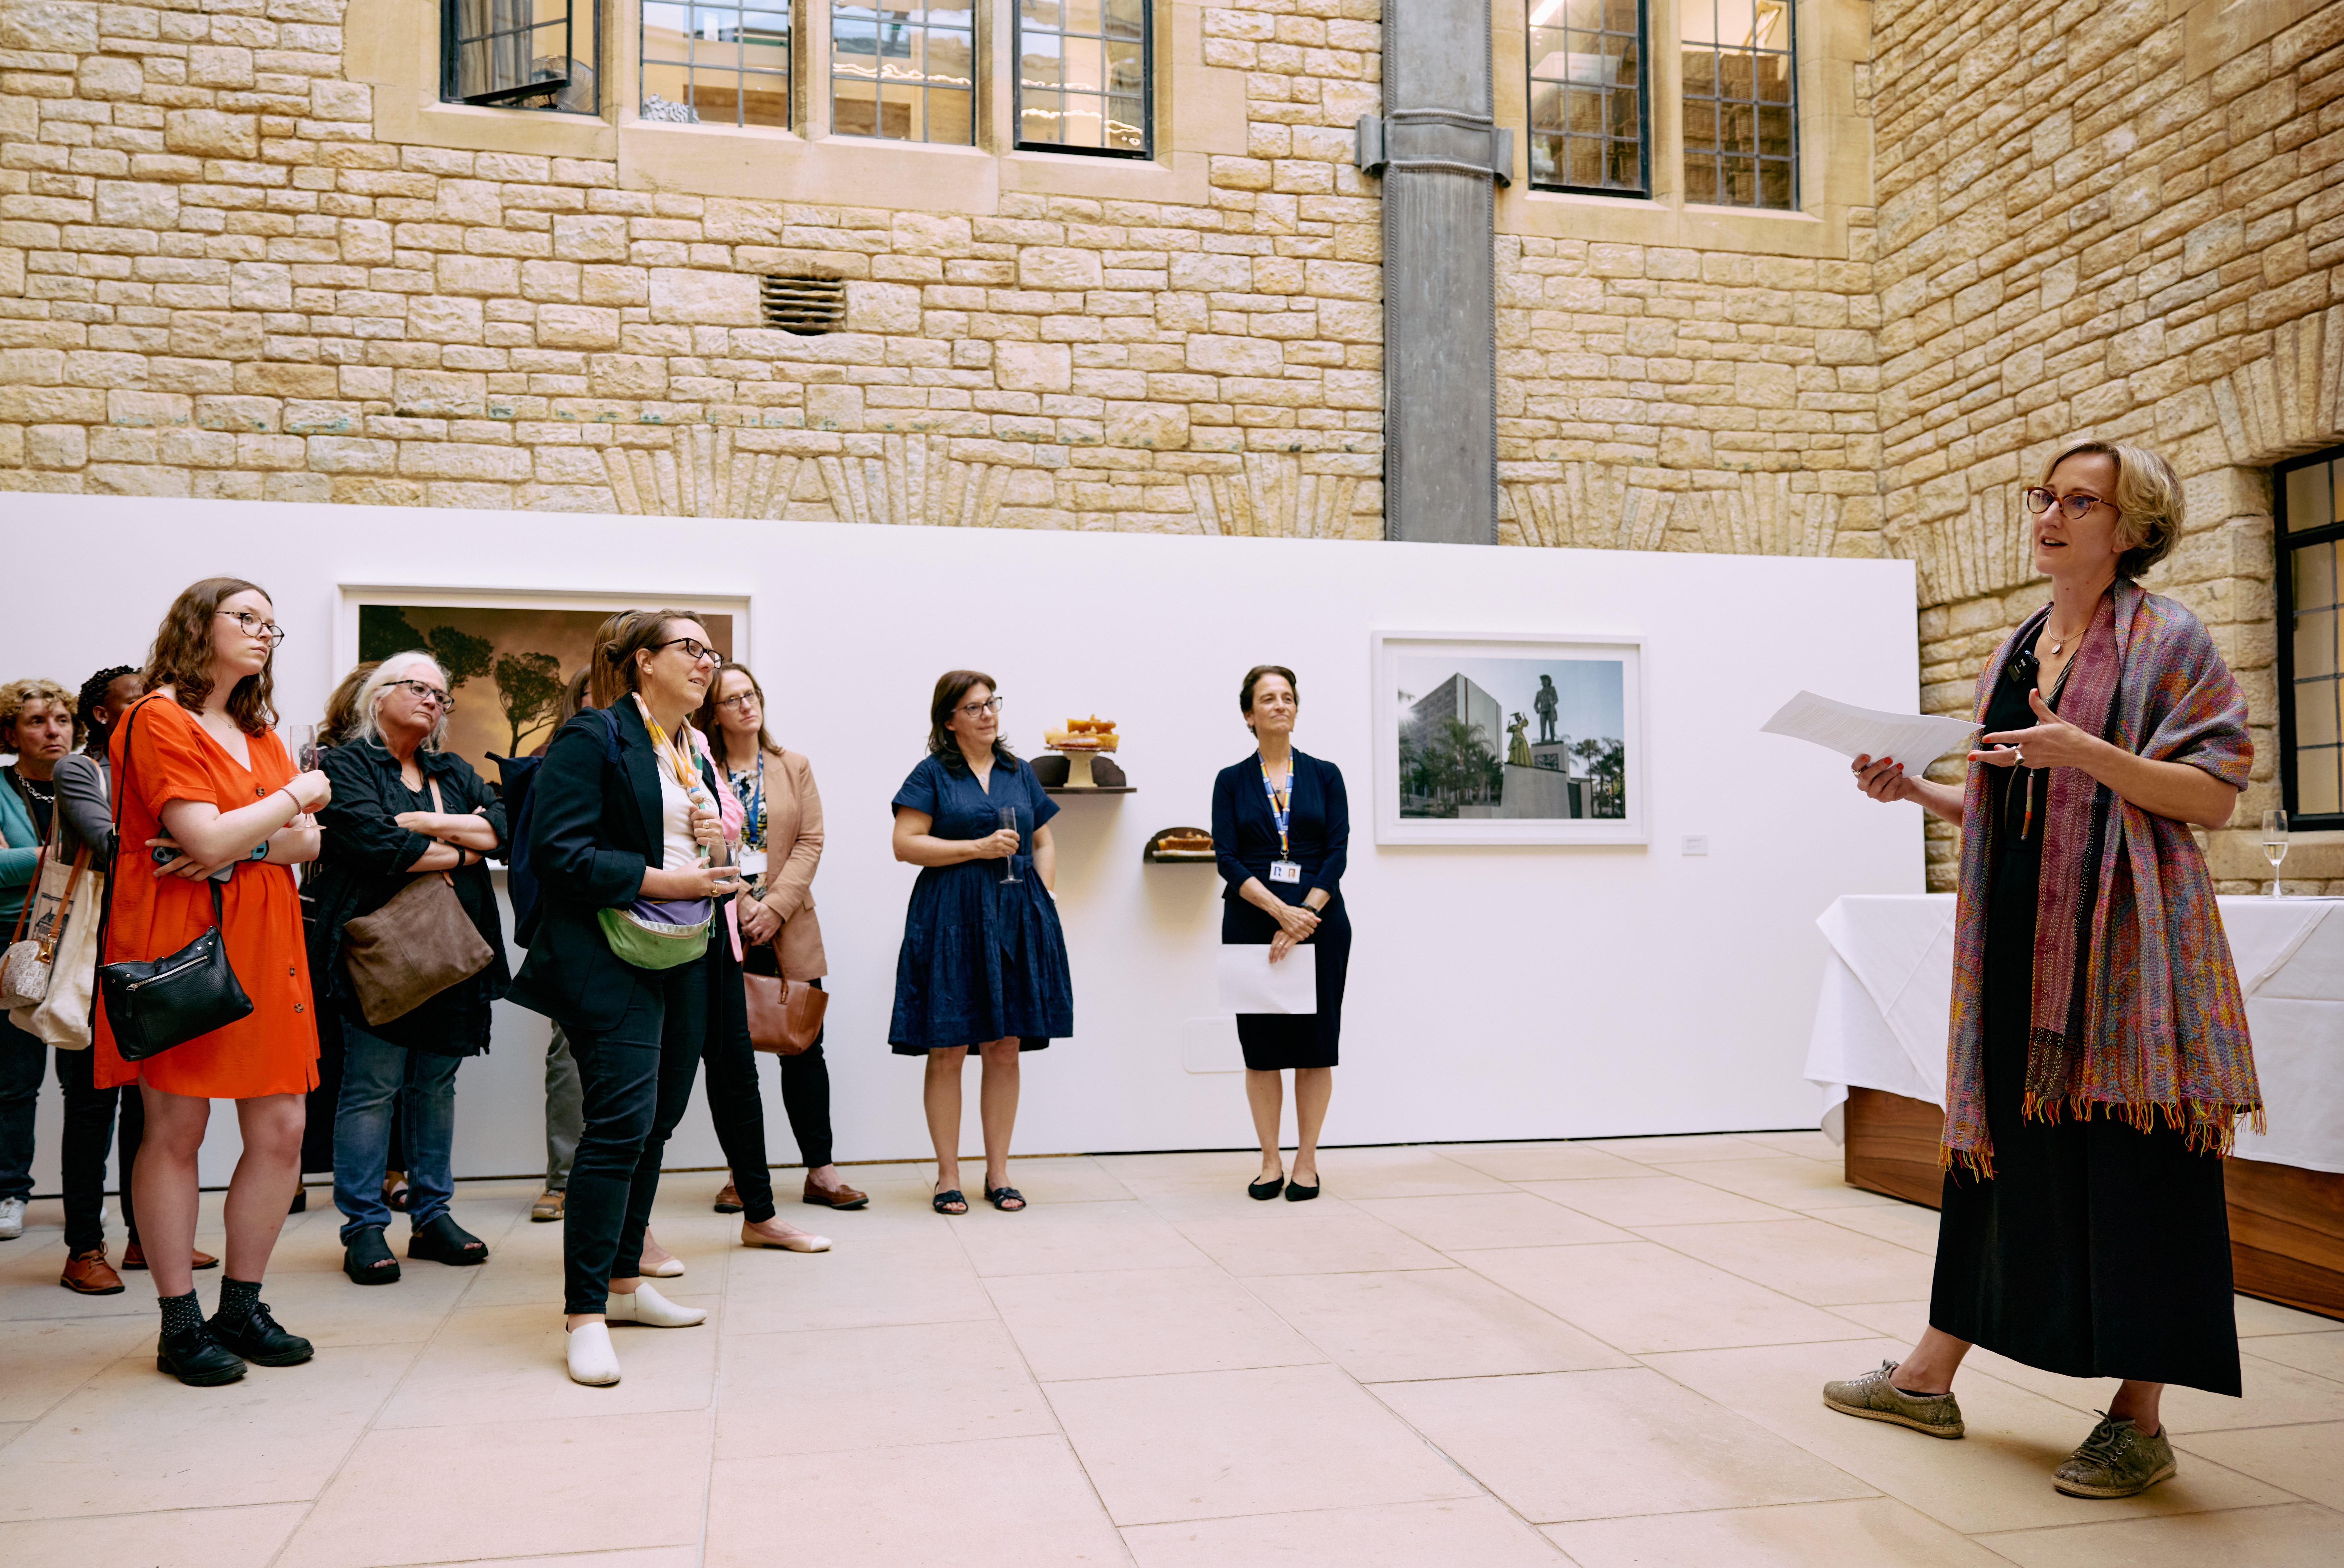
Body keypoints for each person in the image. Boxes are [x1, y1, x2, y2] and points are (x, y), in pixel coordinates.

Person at [1825, 440, 2259, 1500]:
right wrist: (1916, 793)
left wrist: (2089, 753)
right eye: (2045, 496)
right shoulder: (2022, 646)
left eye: (2080, 500)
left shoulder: (2171, 639)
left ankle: (2139, 1417)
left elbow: (2212, 795)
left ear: (2132, 523)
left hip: (2125, 951)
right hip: (2018, 935)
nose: (2051, 515)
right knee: (2001, 1150)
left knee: (2134, 1169)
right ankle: (1931, 1374)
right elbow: (2018, 806)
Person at [508, 610, 802, 1387]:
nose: (707, 663)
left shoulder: (686, 749)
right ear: (643, 662)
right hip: (612, 954)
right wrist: (661, 880)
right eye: (691, 649)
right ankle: (584, 1315)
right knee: (618, 1126)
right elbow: (560, 851)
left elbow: (710, 848)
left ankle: (627, 1286)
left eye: (714, 652)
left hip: (689, 949)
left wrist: (714, 845)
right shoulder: (594, 736)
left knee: (659, 1121)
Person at [94, 579, 333, 1386]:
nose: (265, 632)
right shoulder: (155, 718)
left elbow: (304, 848)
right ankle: (180, 1319)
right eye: (247, 617)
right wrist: (299, 793)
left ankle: (242, 1302)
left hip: (267, 937)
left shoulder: (258, 728)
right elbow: (208, 831)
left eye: (274, 624)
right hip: (181, 943)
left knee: (283, 1131)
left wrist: (246, 843)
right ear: (200, 624)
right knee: (177, 1130)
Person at [308, 653, 510, 1286]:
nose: (432, 700)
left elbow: (504, 827)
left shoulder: (452, 771)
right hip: (379, 953)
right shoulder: (344, 764)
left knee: (435, 1088)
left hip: (454, 951)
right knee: (371, 1088)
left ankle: (432, 1217)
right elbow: (369, 841)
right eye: (418, 688)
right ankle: (363, 1227)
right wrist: (462, 847)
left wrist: (424, 824)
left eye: (441, 694)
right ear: (378, 695)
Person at [54, 666, 218, 1292]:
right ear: (101, 715)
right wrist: (195, 834)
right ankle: (82, 1247)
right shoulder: (80, 769)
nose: (154, 712)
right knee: (92, 1104)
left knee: (145, 1107)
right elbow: (111, 839)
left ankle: (144, 1238)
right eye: (135, 704)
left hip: (150, 949)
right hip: (95, 953)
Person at [888, 671, 1073, 1215]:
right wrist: (978, 847)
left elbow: (1043, 840)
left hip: (1016, 918)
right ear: (949, 721)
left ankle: (999, 1174)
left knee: (1005, 1046)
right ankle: (948, 1177)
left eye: (991, 703)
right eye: (973, 707)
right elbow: (905, 844)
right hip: (950, 918)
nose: (988, 714)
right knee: (947, 1046)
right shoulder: (932, 774)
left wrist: (1046, 898)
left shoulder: (1019, 772)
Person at [695, 662, 866, 1214]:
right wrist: (742, 903)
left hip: (789, 926)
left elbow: (811, 841)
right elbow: (695, 845)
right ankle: (741, 1177)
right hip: (724, 928)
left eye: (753, 695)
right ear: (713, 715)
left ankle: (822, 1172)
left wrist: (774, 906)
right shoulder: (698, 769)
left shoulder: (794, 766)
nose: (747, 706)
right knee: (730, 1060)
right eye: (733, 699)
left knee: (804, 1051)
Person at [1211, 666, 1351, 1202]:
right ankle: (1270, 1161)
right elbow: (1227, 858)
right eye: (1268, 699)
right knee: (1262, 1051)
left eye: (1288, 697)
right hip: (1251, 922)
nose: (1280, 705)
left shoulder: (1326, 775)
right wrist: (1279, 913)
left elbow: (1336, 853)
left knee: (1316, 1049)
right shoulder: (1231, 780)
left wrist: (1304, 916)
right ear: (1249, 714)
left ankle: (1307, 1161)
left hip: (1322, 922)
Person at [0, 678, 79, 1246]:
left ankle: (83, 1202)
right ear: (11, 733)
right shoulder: (2, 786)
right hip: (15, 938)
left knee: (84, 1080)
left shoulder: (87, 784)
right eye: (36, 722)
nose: (53, 732)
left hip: (83, 938)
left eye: (62, 721)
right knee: (14, 1078)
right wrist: (70, 855)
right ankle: (10, 1192)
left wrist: (28, 858)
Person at [531, 667, 591, 1225]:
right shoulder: (559, 756)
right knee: (567, 1055)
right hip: (575, 928)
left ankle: (607, 1181)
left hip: (650, 925)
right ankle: (562, 1180)